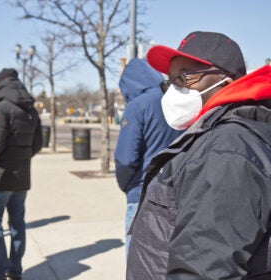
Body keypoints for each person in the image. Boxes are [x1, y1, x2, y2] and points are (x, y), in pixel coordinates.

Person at [127, 31, 271, 279]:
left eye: (184, 78)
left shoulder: (225, 149)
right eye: (170, 82)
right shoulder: (214, 136)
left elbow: (204, 268)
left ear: (225, 82)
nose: (173, 90)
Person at [114, 58, 182, 256]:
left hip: (142, 194)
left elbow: (125, 158)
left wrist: (127, 186)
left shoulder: (137, 106)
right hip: (176, 192)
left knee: (139, 262)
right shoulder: (173, 100)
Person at [0, 68, 43, 280]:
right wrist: (21, 158)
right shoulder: (32, 111)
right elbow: (37, 144)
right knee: (17, 224)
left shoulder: (0, 109)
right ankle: (15, 270)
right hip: (21, 178)